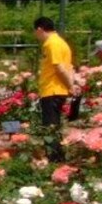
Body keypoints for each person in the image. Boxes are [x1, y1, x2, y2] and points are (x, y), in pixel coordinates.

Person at [33, 17, 82, 162]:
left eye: (35, 31)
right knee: (55, 126)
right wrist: (71, 83)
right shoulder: (62, 43)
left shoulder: (51, 43)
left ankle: (54, 159)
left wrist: (71, 85)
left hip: (52, 89)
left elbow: (59, 68)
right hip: (58, 90)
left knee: (50, 127)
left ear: (40, 29)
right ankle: (58, 157)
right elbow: (69, 67)